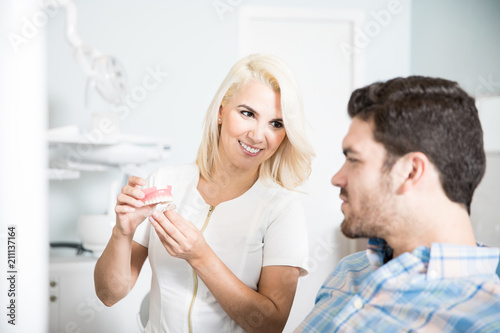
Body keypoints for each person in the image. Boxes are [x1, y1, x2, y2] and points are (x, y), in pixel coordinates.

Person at [94, 54, 315, 333]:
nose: (258, 135)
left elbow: (270, 325)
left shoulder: (282, 208)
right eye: (247, 113)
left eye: (276, 123)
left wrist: (200, 256)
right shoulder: (165, 181)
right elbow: (108, 294)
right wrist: (121, 233)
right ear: (221, 111)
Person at [296, 76, 500, 332]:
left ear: (411, 171)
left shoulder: (486, 318)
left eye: (354, 160)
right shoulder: (350, 272)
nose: (337, 178)